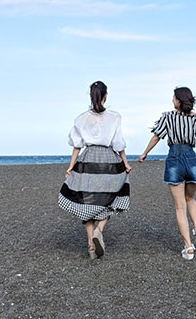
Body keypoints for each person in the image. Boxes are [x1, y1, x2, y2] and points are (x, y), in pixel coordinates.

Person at [138, 87, 196, 260]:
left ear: (178, 101)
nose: (172, 99)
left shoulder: (167, 117)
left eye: (174, 97)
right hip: (192, 158)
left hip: (174, 160)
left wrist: (144, 153)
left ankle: (188, 246)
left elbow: (157, 137)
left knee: (180, 207)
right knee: (190, 199)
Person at [58, 81, 132, 259]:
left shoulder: (81, 118)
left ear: (91, 96)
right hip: (109, 160)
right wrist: (126, 163)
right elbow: (119, 144)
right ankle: (99, 230)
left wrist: (71, 166)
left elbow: (77, 145)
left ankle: (91, 244)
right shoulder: (114, 117)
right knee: (110, 197)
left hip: (88, 158)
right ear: (105, 96)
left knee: (85, 199)